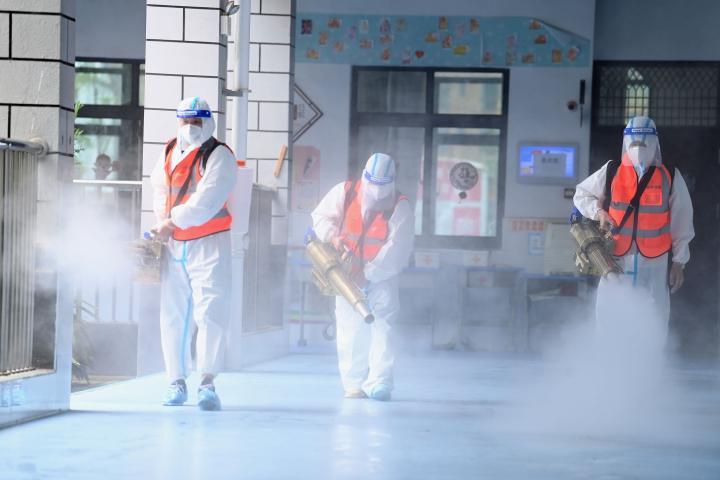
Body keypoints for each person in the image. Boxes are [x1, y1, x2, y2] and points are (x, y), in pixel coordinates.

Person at [150, 97, 237, 411]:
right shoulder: (169, 149)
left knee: (211, 312)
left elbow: (207, 201)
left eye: (197, 121)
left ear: (208, 121)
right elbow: (160, 189)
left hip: (209, 242)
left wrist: (171, 222)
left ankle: (207, 383)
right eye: (186, 121)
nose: (191, 127)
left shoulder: (219, 155)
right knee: (173, 313)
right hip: (174, 243)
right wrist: (162, 223)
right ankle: (176, 381)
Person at [573, 116, 694, 334]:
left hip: (654, 260)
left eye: (644, 142)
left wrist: (679, 262)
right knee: (610, 310)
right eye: (634, 142)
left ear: (655, 142)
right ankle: (609, 353)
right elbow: (582, 194)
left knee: (654, 313)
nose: (639, 148)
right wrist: (599, 212)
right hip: (616, 257)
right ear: (626, 142)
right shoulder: (612, 171)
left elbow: (682, 222)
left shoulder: (670, 176)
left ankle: (650, 352)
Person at [311, 153, 414, 401]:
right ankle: (353, 384)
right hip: (346, 274)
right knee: (350, 330)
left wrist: (368, 275)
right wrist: (333, 235)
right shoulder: (344, 192)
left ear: (392, 181)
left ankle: (379, 382)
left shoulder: (400, 207)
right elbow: (320, 217)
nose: (377, 191)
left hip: (382, 277)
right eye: (373, 184)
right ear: (364, 178)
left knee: (383, 328)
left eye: (383, 185)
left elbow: (397, 250)